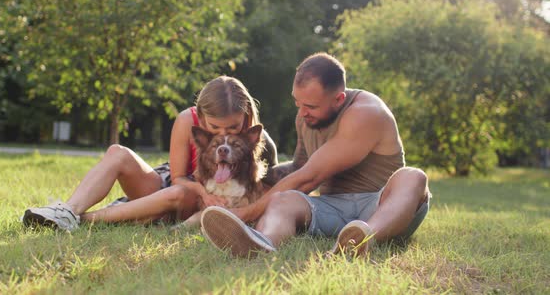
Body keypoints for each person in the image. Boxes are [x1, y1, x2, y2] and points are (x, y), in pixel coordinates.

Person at [200, 53, 431, 258]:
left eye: (310, 106)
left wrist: (244, 213)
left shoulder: (366, 113)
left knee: (413, 176)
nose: (301, 113)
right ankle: (262, 242)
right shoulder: (306, 117)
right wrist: (246, 178)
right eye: (297, 102)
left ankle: (364, 238)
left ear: (338, 99)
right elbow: (297, 168)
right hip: (333, 207)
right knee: (283, 199)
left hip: (381, 205)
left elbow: (308, 178)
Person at [22, 76, 278, 231]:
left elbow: (262, 192)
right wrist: (203, 192)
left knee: (180, 192)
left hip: (194, 201)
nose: (222, 134)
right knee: (117, 152)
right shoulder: (185, 120)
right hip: (177, 184)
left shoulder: (258, 141)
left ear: (246, 118)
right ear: (200, 116)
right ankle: (67, 211)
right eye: (214, 127)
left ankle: (86, 220)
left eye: (232, 127)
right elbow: (177, 176)